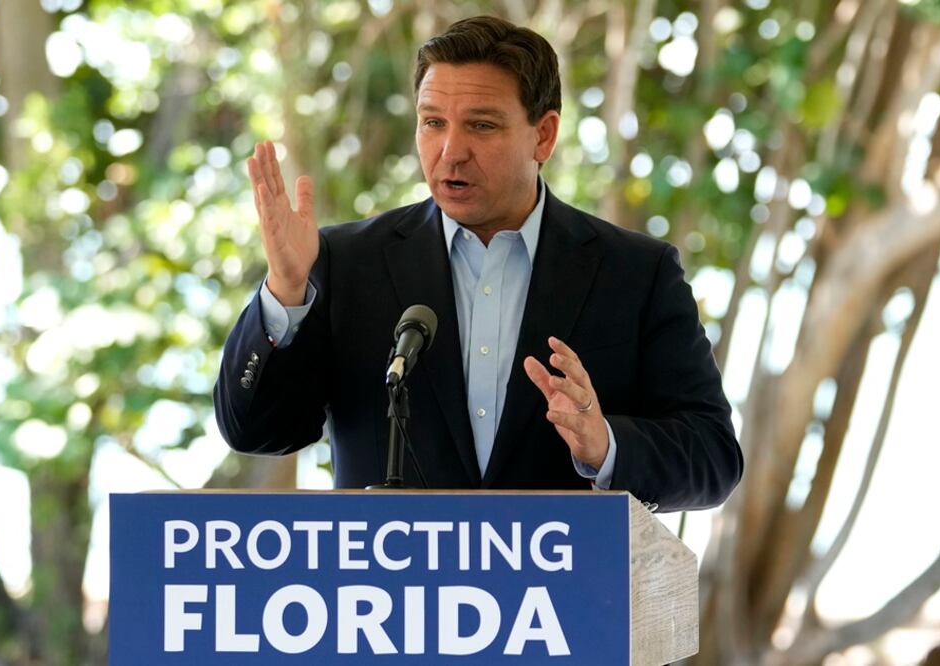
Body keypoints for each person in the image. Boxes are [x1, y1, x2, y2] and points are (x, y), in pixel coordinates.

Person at [214, 15, 742, 511]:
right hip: (392, 600)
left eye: (482, 126)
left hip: (562, 601)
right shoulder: (346, 263)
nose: (450, 151)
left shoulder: (636, 273)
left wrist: (605, 445)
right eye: (433, 122)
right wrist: (284, 290)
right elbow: (256, 430)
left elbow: (714, 458)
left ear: (544, 135)